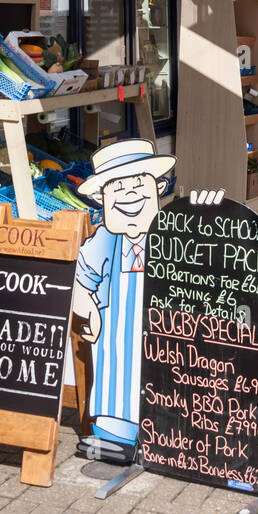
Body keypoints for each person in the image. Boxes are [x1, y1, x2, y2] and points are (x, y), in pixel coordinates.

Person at [73, 138, 175, 463]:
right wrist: (89, 309)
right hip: (112, 343)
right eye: (117, 187)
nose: (129, 194)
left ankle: (164, 437)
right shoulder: (104, 240)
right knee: (116, 388)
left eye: (138, 183)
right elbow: (79, 281)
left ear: (157, 187)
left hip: (160, 339)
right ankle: (115, 438)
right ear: (101, 198)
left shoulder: (170, 236)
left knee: (161, 382)